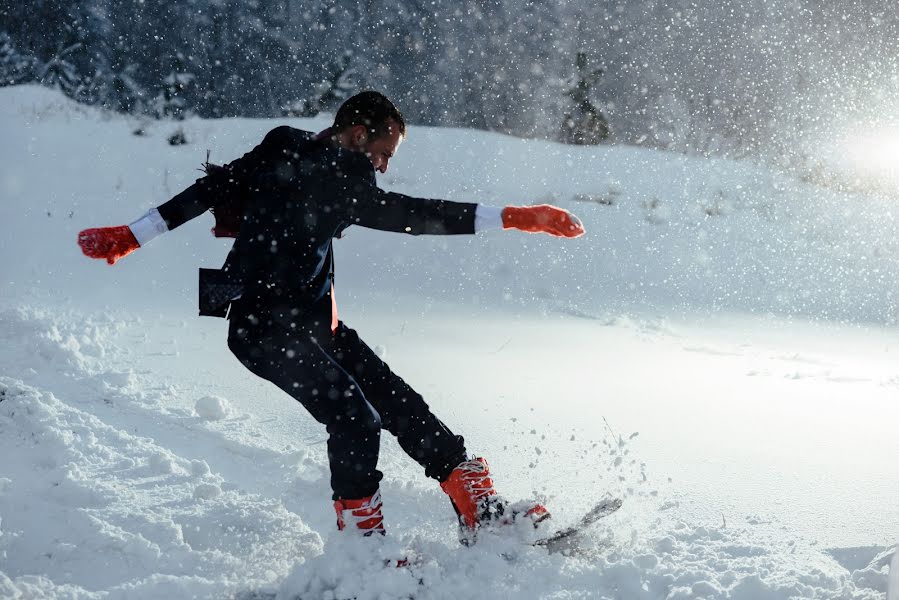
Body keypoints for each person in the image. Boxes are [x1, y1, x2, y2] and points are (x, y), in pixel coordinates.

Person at [77, 91, 585, 543]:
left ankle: (477, 509)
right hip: (261, 329)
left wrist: (135, 233)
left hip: (319, 325)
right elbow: (215, 188)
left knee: (399, 402)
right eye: (384, 153)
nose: (383, 166)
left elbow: (399, 208)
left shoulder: (320, 165)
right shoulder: (297, 154)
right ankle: (363, 552)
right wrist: (134, 233)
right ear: (359, 134)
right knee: (354, 417)